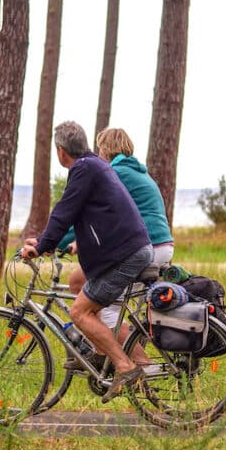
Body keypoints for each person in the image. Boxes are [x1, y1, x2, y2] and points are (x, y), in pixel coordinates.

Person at [22, 121, 152, 402]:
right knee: (82, 289)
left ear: (60, 151)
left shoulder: (84, 169)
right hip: (127, 251)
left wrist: (42, 246)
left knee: (80, 312)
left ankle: (126, 367)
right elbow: (74, 215)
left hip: (125, 255)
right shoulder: (95, 165)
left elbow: (65, 210)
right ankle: (111, 356)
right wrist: (47, 242)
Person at [59, 128, 174, 365]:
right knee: (78, 281)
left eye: (100, 149)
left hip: (143, 249)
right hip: (161, 246)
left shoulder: (115, 173)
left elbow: (84, 211)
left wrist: (55, 241)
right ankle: (102, 351)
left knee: (107, 310)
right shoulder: (138, 173)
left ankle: (141, 367)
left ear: (105, 149)